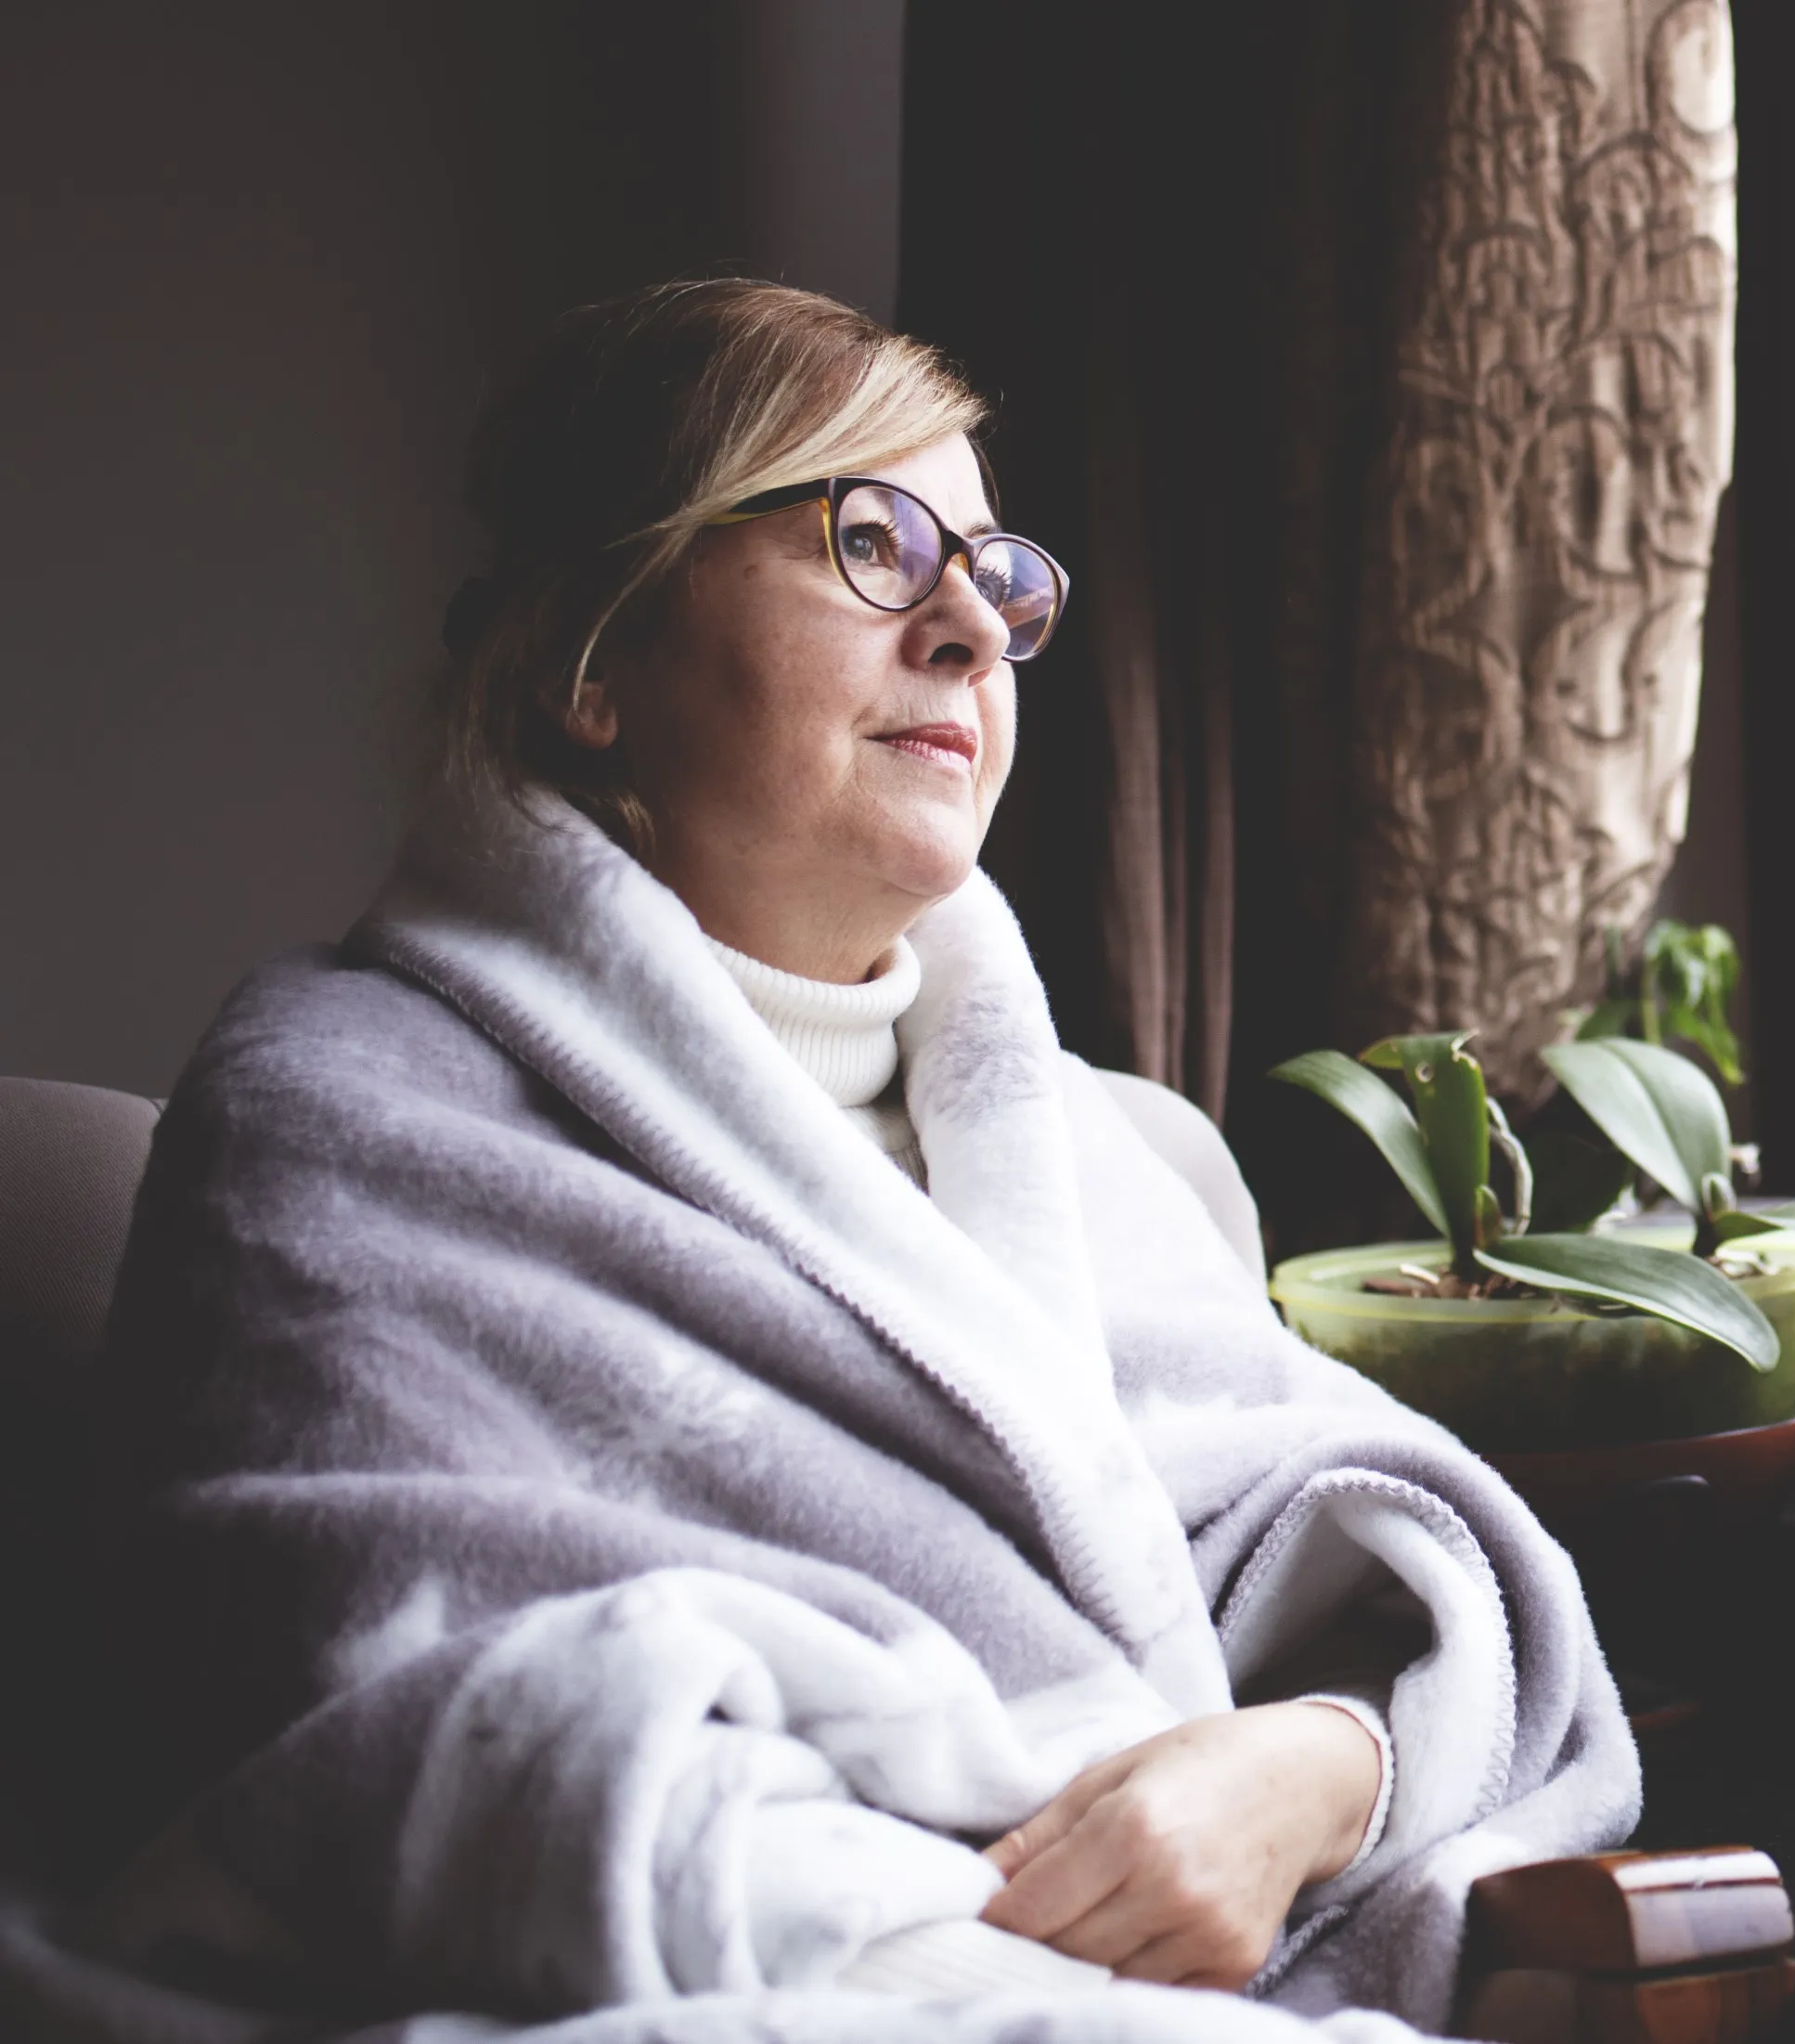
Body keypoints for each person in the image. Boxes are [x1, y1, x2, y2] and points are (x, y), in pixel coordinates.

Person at [18, 280, 1634, 2040]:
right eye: (873, 537)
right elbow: (401, 1719)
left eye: (1000, 576)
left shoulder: (1084, 1150)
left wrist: (1320, 1770)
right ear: (594, 654)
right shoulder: (344, 1106)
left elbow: (1403, 1573)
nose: (967, 624)